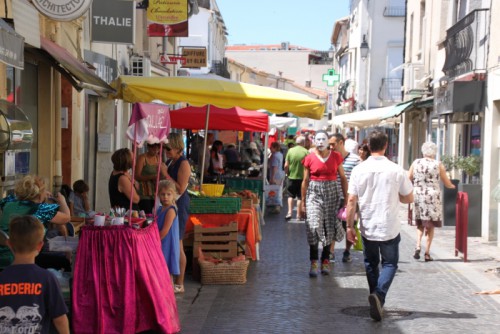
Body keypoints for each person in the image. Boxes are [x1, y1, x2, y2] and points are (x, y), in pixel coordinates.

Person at [345, 130, 414, 321]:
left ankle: (375, 296)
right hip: (389, 224)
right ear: (385, 146)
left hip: (368, 224)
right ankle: (379, 296)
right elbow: (409, 197)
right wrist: (397, 195)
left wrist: (349, 226)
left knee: (370, 263)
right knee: (390, 263)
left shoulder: (359, 169)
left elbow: (351, 200)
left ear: (368, 146)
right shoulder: (396, 169)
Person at [0, 215, 69, 333]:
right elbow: (60, 318)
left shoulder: (2, 277)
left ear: (9, 244)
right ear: (40, 245)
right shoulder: (47, 278)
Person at [301, 130, 348, 277]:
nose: (320, 142)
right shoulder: (309, 158)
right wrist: (302, 202)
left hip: (332, 192)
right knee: (313, 225)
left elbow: (343, 177)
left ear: (328, 141)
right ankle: (314, 261)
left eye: (323, 139)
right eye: (318, 139)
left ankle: (325, 259)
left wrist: (346, 198)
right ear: (314, 141)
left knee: (329, 226)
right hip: (314, 192)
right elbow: (305, 180)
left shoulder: (336, 157)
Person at [0, 175, 71, 269]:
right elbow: (67, 218)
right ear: (39, 194)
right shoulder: (41, 209)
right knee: (64, 262)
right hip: (23, 259)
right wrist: (62, 201)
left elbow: (15, 198)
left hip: (3, 256)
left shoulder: (7, 203)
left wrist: (39, 194)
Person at [409, 142, 456, 262]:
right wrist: (452, 186)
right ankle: (427, 253)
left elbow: (408, 177)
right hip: (432, 197)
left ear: (423, 151)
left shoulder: (416, 162)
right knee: (430, 225)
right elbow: (446, 182)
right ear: (434, 152)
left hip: (418, 195)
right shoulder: (438, 164)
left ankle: (418, 245)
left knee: (420, 223)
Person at [329, 133, 361, 263]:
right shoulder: (330, 158)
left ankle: (347, 251)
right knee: (331, 225)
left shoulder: (355, 159)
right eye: (329, 144)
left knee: (349, 224)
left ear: (341, 143)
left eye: (333, 144)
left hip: (350, 197)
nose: (330, 147)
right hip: (333, 196)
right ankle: (331, 252)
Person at [165, 132, 191, 294]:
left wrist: (164, 174)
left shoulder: (183, 164)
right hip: (171, 205)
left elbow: (180, 188)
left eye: (168, 148)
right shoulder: (171, 161)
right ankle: (173, 280)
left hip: (179, 204)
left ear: (176, 146)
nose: (166, 151)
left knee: (179, 242)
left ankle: (180, 283)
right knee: (174, 242)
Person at [156, 180, 180, 279]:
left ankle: (169, 293)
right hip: (161, 242)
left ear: (173, 195)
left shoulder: (171, 210)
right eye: (163, 194)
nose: (165, 197)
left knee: (167, 272)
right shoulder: (159, 209)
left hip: (167, 243)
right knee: (161, 271)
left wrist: (154, 242)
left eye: (168, 194)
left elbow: (165, 230)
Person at [135, 143, 168, 214]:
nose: (156, 151)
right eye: (153, 149)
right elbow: (136, 176)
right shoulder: (142, 158)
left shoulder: (158, 158)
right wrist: (152, 177)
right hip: (144, 192)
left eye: (158, 149)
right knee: (147, 214)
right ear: (148, 147)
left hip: (155, 192)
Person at [284, 135, 308, 220]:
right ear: (303, 143)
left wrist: (287, 173)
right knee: (300, 197)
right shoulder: (306, 152)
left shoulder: (290, 150)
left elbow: (286, 165)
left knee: (290, 195)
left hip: (291, 177)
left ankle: (289, 212)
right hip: (302, 178)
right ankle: (298, 215)